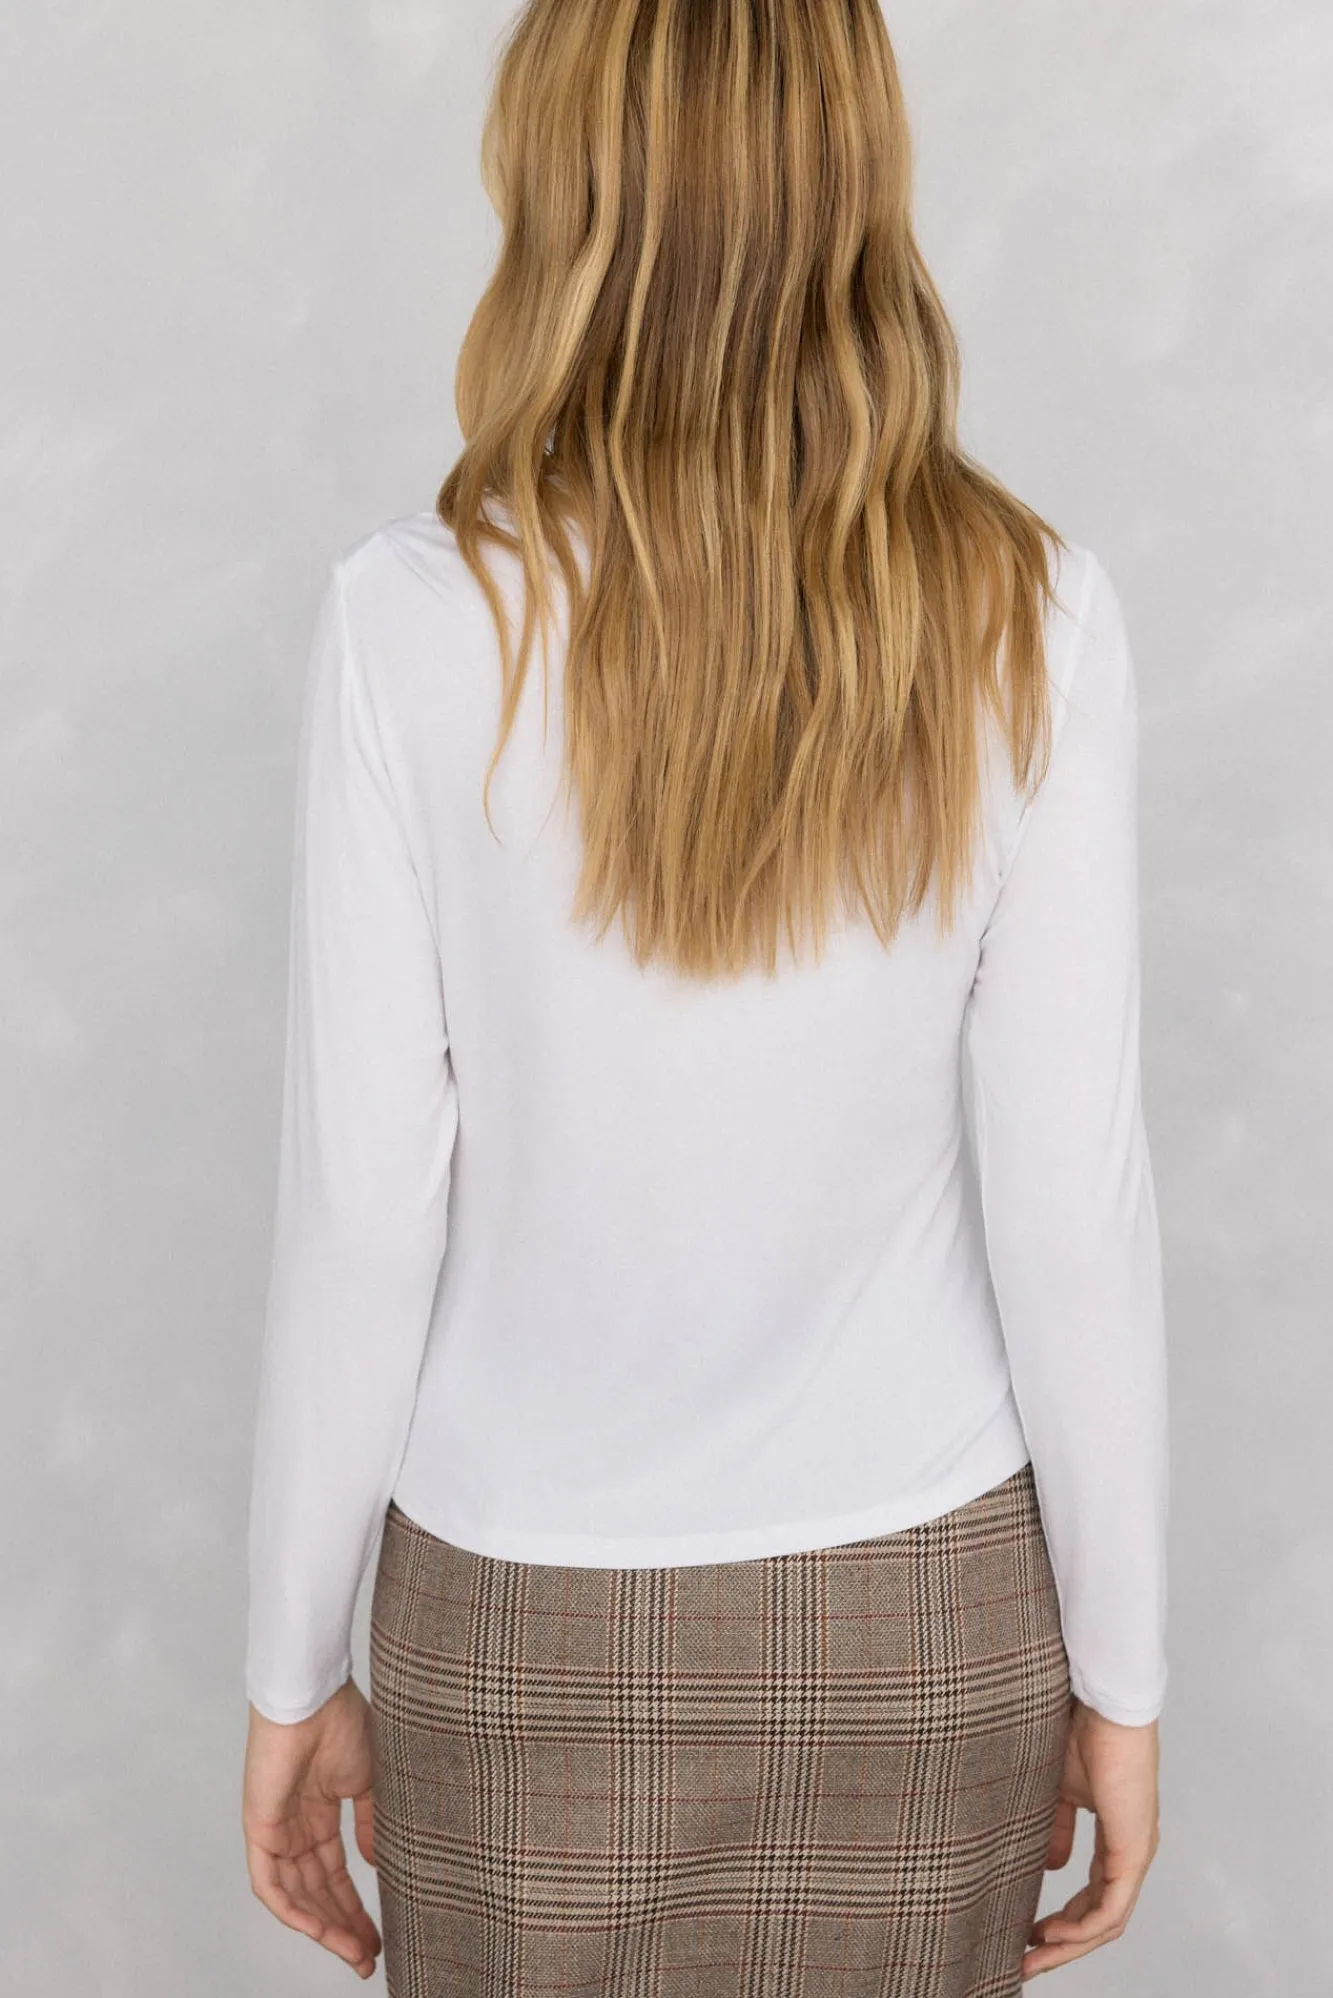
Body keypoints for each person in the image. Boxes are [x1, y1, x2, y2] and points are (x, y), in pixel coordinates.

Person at [240, 2, 1168, 1992]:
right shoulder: (1033, 615)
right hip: (925, 1621)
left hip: (518, 1627)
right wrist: (1124, 1668)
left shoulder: (412, 621)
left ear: (560, 183)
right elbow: (1072, 1217)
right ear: (858, 181)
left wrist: (291, 1659)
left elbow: (364, 1206)